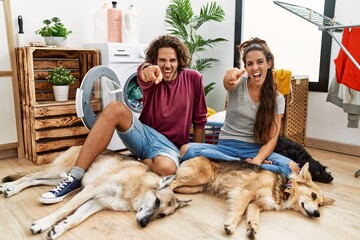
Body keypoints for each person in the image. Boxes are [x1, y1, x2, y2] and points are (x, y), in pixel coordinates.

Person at [39, 35, 208, 204]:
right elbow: (144, 72)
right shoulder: (152, 75)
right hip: (144, 136)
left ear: (180, 61)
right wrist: (148, 69)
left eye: (172, 60)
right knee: (115, 108)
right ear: (155, 61)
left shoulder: (193, 78)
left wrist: (193, 159)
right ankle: (74, 177)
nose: (167, 65)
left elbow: (199, 120)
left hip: (169, 147)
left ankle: (138, 161)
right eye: (162, 60)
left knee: (167, 169)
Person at [180, 37, 299, 178]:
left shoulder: (277, 98)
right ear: (245, 68)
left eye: (260, 62)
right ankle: (244, 165)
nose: (255, 68)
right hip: (225, 147)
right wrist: (229, 76)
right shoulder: (237, 84)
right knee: (185, 150)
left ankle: (232, 166)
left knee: (293, 168)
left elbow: (272, 138)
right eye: (250, 64)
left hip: (254, 150)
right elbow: (228, 82)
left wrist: (258, 159)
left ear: (269, 63)